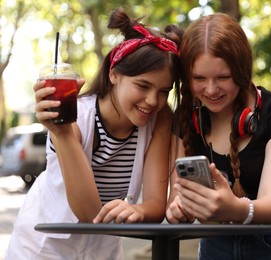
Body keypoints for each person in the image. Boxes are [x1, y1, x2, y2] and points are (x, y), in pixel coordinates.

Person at [6, 7, 183, 260]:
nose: (152, 101)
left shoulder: (159, 119)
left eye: (164, 91)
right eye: (143, 86)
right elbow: (89, 213)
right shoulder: (75, 118)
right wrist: (62, 133)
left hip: (102, 248)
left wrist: (138, 211)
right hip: (42, 246)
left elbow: (155, 205)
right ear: (114, 74)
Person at [166, 13, 271, 259]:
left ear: (242, 70)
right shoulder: (184, 119)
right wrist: (179, 209)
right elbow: (176, 197)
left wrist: (233, 208)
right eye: (199, 79)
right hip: (216, 248)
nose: (211, 90)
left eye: (223, 77)